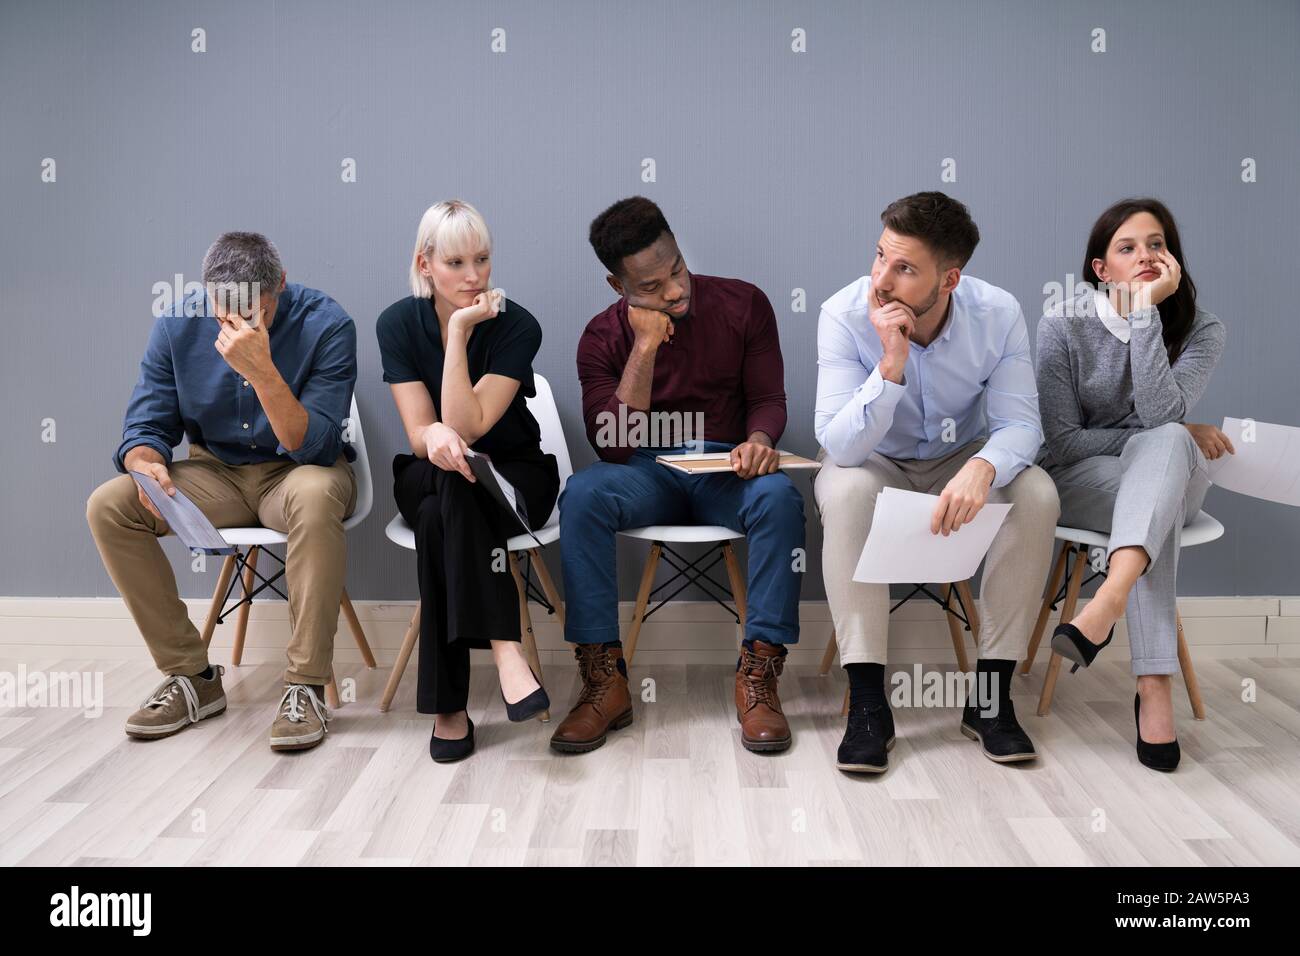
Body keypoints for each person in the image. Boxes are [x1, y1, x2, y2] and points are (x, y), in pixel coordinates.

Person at [813, 191, 1061, 772]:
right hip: (876, 460)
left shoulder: (998, 314)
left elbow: (1021, 424)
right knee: (846, 492)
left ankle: (990, 700)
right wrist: (889, 366)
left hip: (961, 456)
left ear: (949, 279)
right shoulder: (843, 314)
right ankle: (869, 706)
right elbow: (842, 446)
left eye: (904, 268)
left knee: (1037, 494)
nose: (882, 278)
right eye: (880, 257)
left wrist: (984, 467)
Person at [86, 231, 358, 752]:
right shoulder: (176, 323)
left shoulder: (327, 323)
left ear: (279, 284)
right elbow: (146, 422)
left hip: (295, 471)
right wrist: (145, 461)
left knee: (316, 493)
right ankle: (193, 678)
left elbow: (318, 446)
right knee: (109, 506)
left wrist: (263, 372)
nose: (233, 325)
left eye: (252, 313)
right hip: (216, 472)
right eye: (221, 311)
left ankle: (305, 686)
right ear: (206, 293)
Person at [553, 196, 806, 754]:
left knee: (781, 498)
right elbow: (615, 446)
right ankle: (605, 683)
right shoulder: (601, 338)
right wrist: (644, 345)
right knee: (584, 494)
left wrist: (760, 441)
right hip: (646, 469)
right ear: (617, 287)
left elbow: (767, 398)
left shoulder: (745, 304)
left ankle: (759, 677)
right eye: (650, 286)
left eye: (677, 269)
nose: (673, 291)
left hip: (726, 468)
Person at [1036, 197, 1228, 772]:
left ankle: (1109, 598)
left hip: (1163, 480)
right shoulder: (1062, 323)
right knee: (1167, 452)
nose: (1146, 255)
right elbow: (1066, 442)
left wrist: (1145, 315)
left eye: (1157, 244)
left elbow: (1159, 412)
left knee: (1165, 446)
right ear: (1101, 269)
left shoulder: (1203, 330)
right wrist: (1165, 433)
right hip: (1083, 481)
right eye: (1128, 247)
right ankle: (1154, 688)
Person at [376, 200, 559, 763]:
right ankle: (506, 650)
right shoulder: (397, 323)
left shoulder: (519, 324)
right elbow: (421, 432)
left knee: (448, 498)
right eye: (455, 262)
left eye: (482, 259)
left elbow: (470, 424)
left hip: (513, 477)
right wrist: (432, 437)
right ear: (424, 263)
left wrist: (458, 332)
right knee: (449, 477)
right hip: (431, 470)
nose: (474, 275)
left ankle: (446, 708)